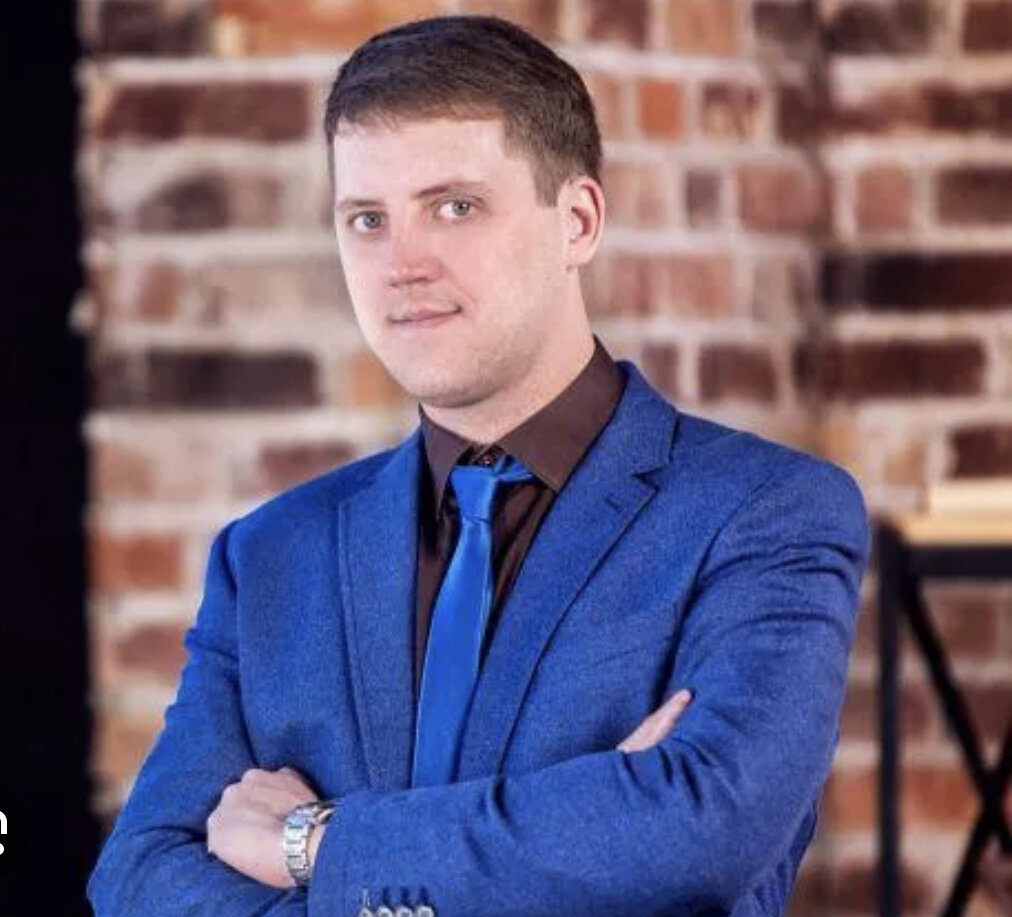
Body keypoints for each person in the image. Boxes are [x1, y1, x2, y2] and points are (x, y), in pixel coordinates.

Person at [87, 14, 871, 917]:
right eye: (367, 219)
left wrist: (315, 841)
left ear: (578, 221)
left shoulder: (765, 513)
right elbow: (138, 879)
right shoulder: (269, 557)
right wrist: (589, 832)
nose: (402, 264)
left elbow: (702, 826)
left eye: (454, 207)